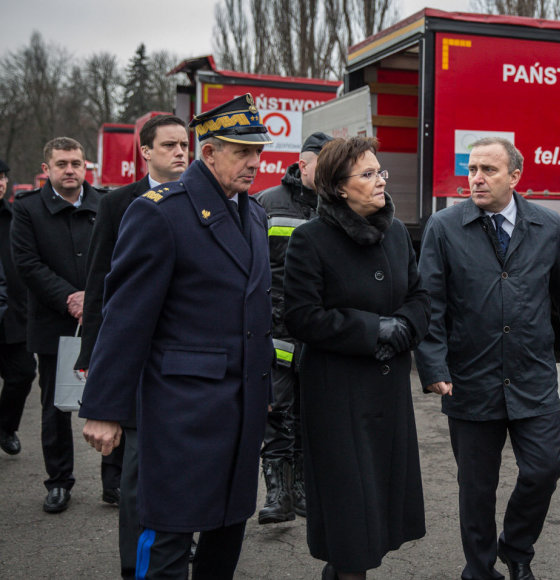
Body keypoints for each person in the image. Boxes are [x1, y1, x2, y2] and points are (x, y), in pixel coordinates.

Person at [78, 93, 274, 578]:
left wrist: (265, 386)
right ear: (209, 153)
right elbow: (126, 319)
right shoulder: (160, 213)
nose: (255, 162)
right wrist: (105, 409)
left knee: (227, 529)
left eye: (258, 151)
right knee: (167, 534)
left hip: (240, 407)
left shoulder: (252, 214)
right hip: (181, 413)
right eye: (241, 151)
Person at [414, 137, 560, 580]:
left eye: (488, 170)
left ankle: (517, 547)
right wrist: (434, 366)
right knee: (476, 488)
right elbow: (430, 304)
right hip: (470, 378)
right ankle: (480, 569)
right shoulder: (444, 228)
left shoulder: (546, 225)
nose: (477, 178)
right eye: (472, 169)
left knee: (545, 466)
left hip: (531, 375)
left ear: (515, 176)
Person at [283, 136, 429, 580]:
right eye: (367, 174)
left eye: (379, 171)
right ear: (339, 187)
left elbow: (420, 295)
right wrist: (373, 330)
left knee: (378, 505)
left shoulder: (397, 231)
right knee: (350, 511)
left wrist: (404, 326)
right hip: (337, 396)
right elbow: (301, 317)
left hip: (387, 392)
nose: (380, 180)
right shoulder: (310, 239)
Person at [75, 114, 189, 579]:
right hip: (137, 361)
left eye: (185, 144)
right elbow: (102, 286)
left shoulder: (204, 201)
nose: (180, 153)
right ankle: (134, 564)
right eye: (169, 145)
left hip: (184, 363)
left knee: (184, 468)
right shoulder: (119, 203)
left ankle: (178, 547)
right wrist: (91, 357)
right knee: (138, 474)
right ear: (145, 152)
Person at [9, 138, 104, 513]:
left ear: (85, 167)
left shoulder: (105, 205)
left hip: (101, 319)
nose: (70, 170)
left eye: (76, 163)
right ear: (46, 168)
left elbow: (119, 256)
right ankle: (59, 481)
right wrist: (69, 297)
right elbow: (27, 264)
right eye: (62, 163)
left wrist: (93, 298)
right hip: (53, 322)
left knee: (115, 397)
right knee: (55, 406)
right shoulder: (28, 209)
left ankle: (113, 481)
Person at [254, 131, 331, 525]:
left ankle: (301, 487)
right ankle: (277, 493)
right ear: (302, 164)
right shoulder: (266, 204)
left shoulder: (336, 205)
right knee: (276, 411)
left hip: (317, 332)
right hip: (275, 330)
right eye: (323, 163)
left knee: (309, 413)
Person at [0, 158, 38, 457]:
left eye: (3, 177)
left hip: (13, 315)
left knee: (23, 373)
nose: (1, 182)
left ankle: (5, 426)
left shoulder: (15, 218)